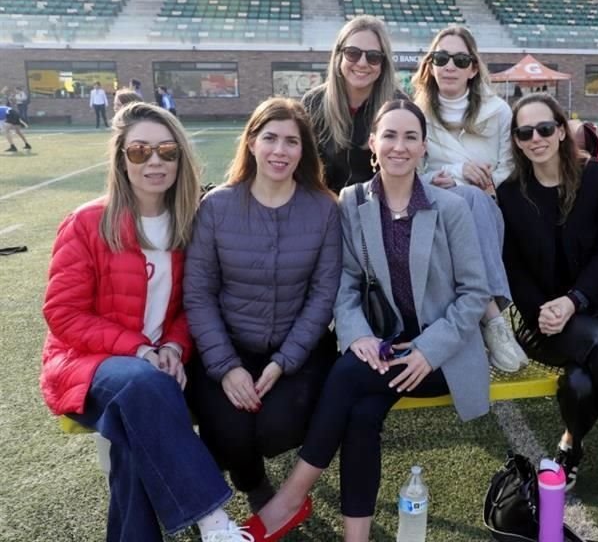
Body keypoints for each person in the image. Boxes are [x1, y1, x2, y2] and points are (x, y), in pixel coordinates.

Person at [245, 100, 490, 542]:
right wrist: (356, 333)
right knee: (360, 412)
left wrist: (427, 350)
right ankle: (354, 537)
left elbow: (475, 294)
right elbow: (347, 281)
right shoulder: (353, 201)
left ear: (423, 147)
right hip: (382, 347)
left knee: (347, 377)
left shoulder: (450, 207)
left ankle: (291, 496)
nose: (399, 146)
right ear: (372, 144)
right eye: (389, 136)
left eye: (410, 136)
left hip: (443, 354)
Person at [39, 103, 253, 542]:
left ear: (180, 159)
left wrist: (173, 348)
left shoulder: (189, 223)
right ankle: (214, 523)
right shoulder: (87, 222)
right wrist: (140, 349)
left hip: (158, 364)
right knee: (142, 385)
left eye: (166, 152)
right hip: (89, 363)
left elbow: (189, 306)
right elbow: (63, 313)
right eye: (139, 152)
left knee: (134, 429)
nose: (155, 161)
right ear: (121, 159)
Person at [185, 98, 342, 514]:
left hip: (298, 349)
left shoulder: (325, 208)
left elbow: (323, 295)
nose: (280, 150)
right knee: (230, 433)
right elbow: (198, 293)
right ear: (251, 142)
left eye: (292, 141)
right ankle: (251, 480)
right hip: (229, 347)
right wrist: (226, 366)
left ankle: (250, 465)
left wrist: (284, 361)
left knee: (276, 431)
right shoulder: (216, 206)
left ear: (304, 150)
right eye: (270, 138)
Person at [499, 93, 598, 510]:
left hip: (594, 307)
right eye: (525, 132)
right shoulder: (510, 193)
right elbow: (512, 267)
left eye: (545, 128)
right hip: (539, 320)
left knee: (582, 380)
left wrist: (574, 300)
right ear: (516, 140)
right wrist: (545, 310)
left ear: (561, 130)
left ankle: (572, 442)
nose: (536, 138)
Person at [412, 25, 523, 372]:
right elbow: (410, 170)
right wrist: (450, 175)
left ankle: (486, 316)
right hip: (433, 208)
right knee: (465, 198)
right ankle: (493, 318)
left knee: (473, 200)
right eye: (441, 58)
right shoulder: (418, 112)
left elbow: (508, 166)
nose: (449, 67)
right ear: (430, 64)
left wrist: (486, 183)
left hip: (486, 206)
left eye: (460, 60)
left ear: (473, 68)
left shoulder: (499, 111)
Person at [301, 15, 404, 193]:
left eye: (373, 56)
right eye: (353, 53)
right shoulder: (313, 103)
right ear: (339, 56)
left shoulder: (399, 106)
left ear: (383, 63)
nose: (362, 63)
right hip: (325, 206)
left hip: (378, 210)